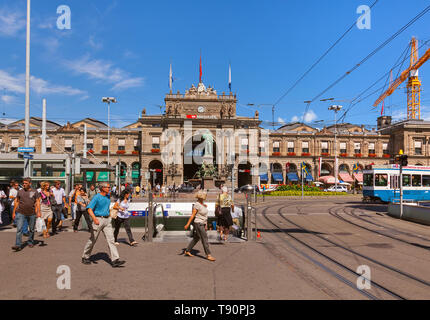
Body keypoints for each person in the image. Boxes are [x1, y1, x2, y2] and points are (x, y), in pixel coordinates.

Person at [82, 182, 125, 268]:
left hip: (107, 220)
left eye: (110, 187)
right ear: (102, 188)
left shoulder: (108, 197)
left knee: (111, 240)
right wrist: (94, 219)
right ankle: (85, 256)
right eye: (108, 187)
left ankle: (115, 260)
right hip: (98, 219)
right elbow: (89, 209)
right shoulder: (97, 197)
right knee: (93, 239)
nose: (110, 189)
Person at [184, 191, 215, 261]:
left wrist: (206, 224)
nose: (205, 197)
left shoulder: (202, 204)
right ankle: (208, 255)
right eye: (204, 196)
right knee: (205, 239)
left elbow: (204, 215)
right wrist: (187, 224)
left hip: (202, 224)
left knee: (196, 238)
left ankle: (187, 250)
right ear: (201, 197)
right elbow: (192, 215)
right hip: (198, 223)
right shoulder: (197, 204)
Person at [11, 178, 41, 251]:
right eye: (23, 183)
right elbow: (17, 202)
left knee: (31, 229)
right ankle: (18, 245)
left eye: (26, 183)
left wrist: (39, 212)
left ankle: (30, 241)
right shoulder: (20, 191)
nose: (24, 184)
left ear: (30, 184)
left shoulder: (35, 191)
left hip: (32, 213)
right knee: (19, 229)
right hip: (21, 213)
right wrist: (14, 212)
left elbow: (37, 202)